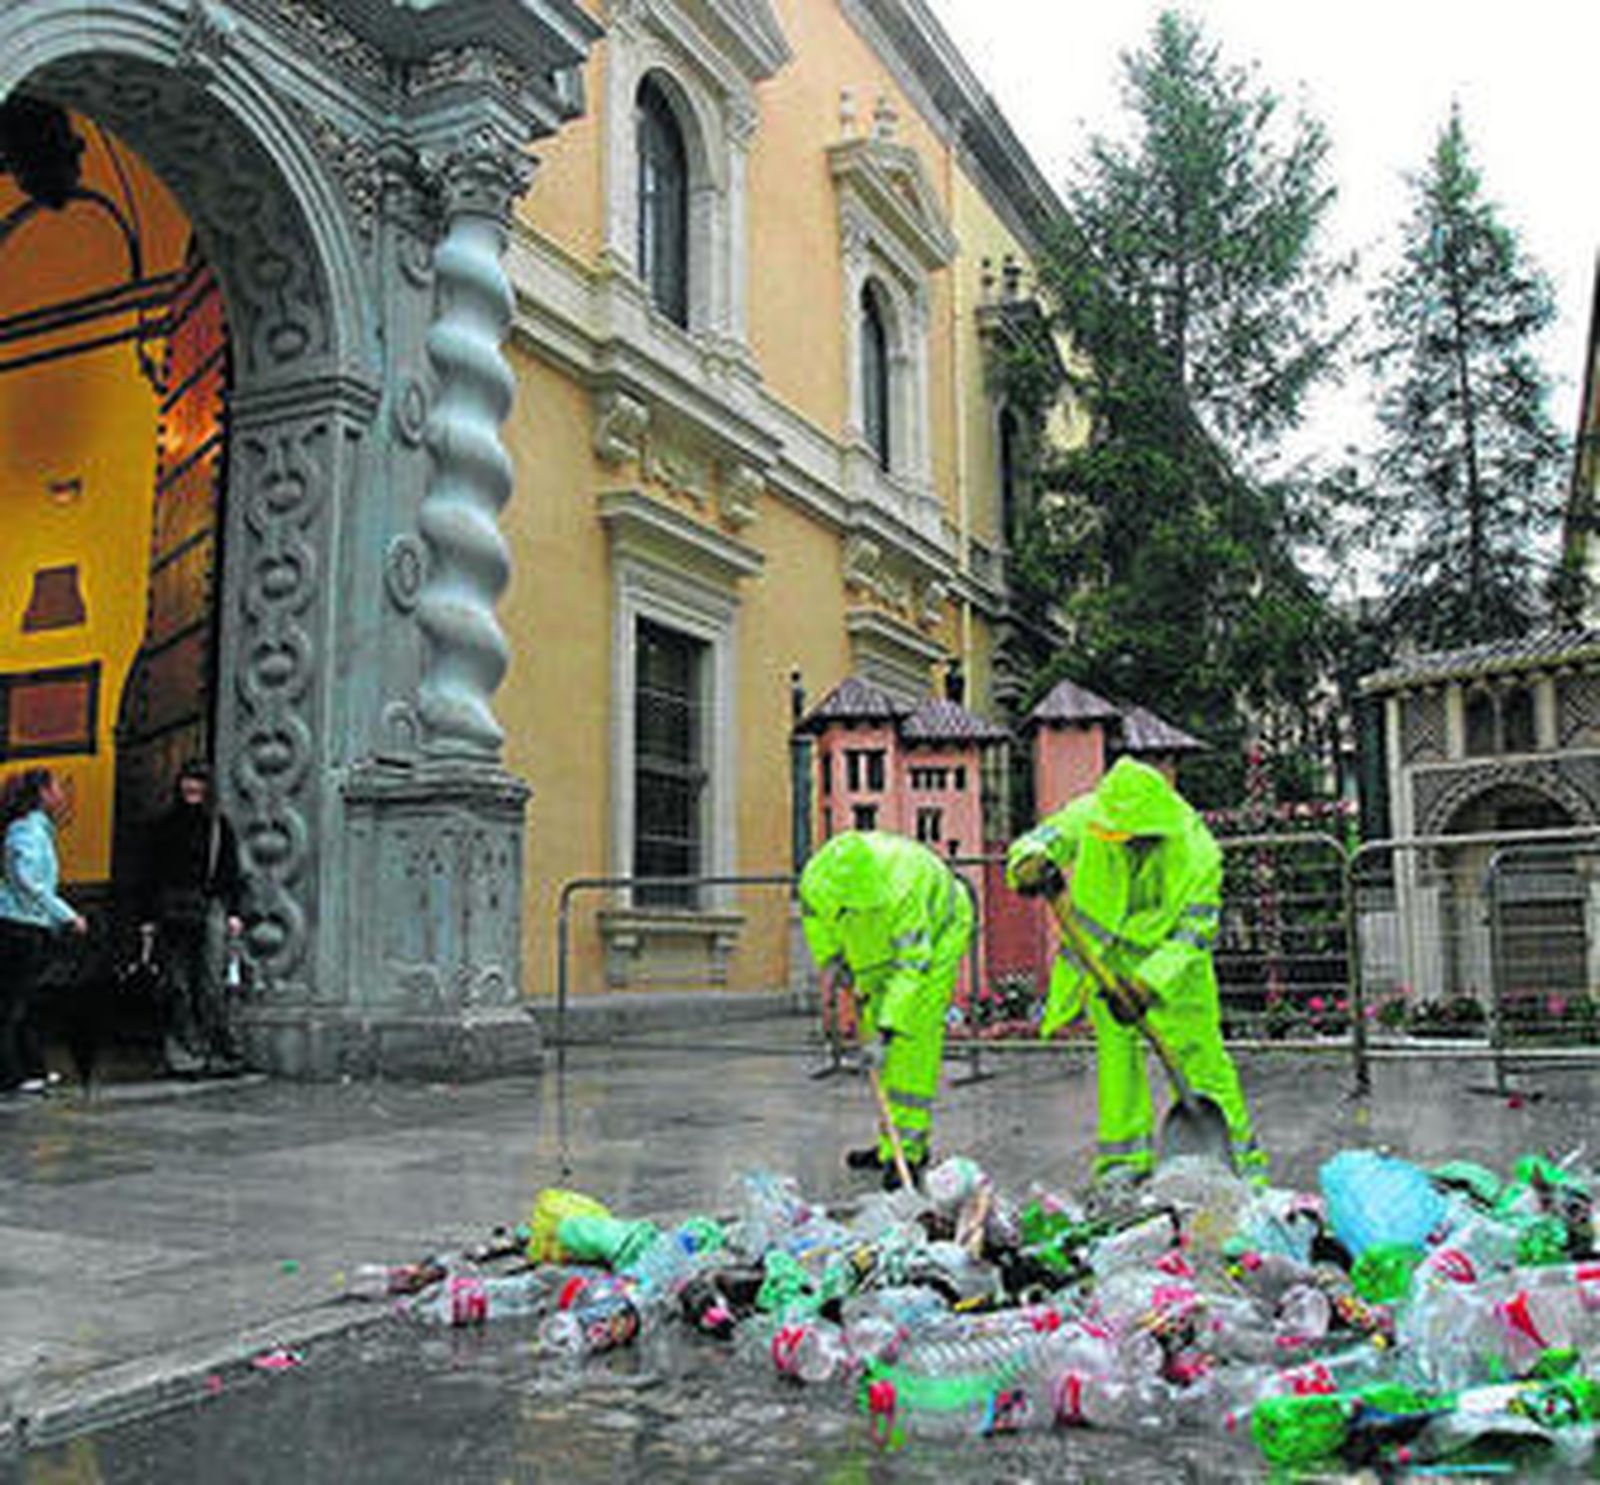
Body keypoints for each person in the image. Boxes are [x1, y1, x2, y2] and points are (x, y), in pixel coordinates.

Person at [1007, 755, 1265, 1189]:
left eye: (1136, 839)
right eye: (1120, 837)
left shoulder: (1198, 850)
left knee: (1204, 1065)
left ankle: (1242, 1171)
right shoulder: (1094, 814)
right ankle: (1122, 1166)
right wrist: (1028, 862)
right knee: (1117, 1066)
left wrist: (1148, 985)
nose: (1126, 845)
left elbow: (1192, 935)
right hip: (1108, 964)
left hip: (1175, 969)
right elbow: (1041, 839)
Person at [799, 830, 973, 1189]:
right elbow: (814, 919)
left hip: (937, 934)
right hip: (874, 943)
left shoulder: (904, 888)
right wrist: (832, 960)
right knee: (877, 1038)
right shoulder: (816, 880)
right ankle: (887, 1143)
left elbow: (912, 967)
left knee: (910, 1040)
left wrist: (888, 1028)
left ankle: (908, 1151)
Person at [141, 760, 247, 1074]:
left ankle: (216, 1049)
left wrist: (235, 912)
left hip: (210, 906)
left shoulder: (218, 827)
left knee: (211, 983)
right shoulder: (163, 826)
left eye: (199, 781)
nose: (192, 787)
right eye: (188, 780)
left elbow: (230, 872)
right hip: (172, 910)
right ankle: (186, 1052)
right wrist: (147, 919)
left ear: (208, 787)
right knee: (178, 984)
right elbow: (150, 875)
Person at [0, 768, 86, 1093]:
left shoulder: (32, 829)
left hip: (25, 923)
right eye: (57, 788)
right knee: (16, 1003)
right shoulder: (28, 831)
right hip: (21, 925)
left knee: (25, 1002)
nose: (62, 794)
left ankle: (30, 1068)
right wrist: (67, 915)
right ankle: (11, 1073)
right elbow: (28, 881)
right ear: (43, 794)